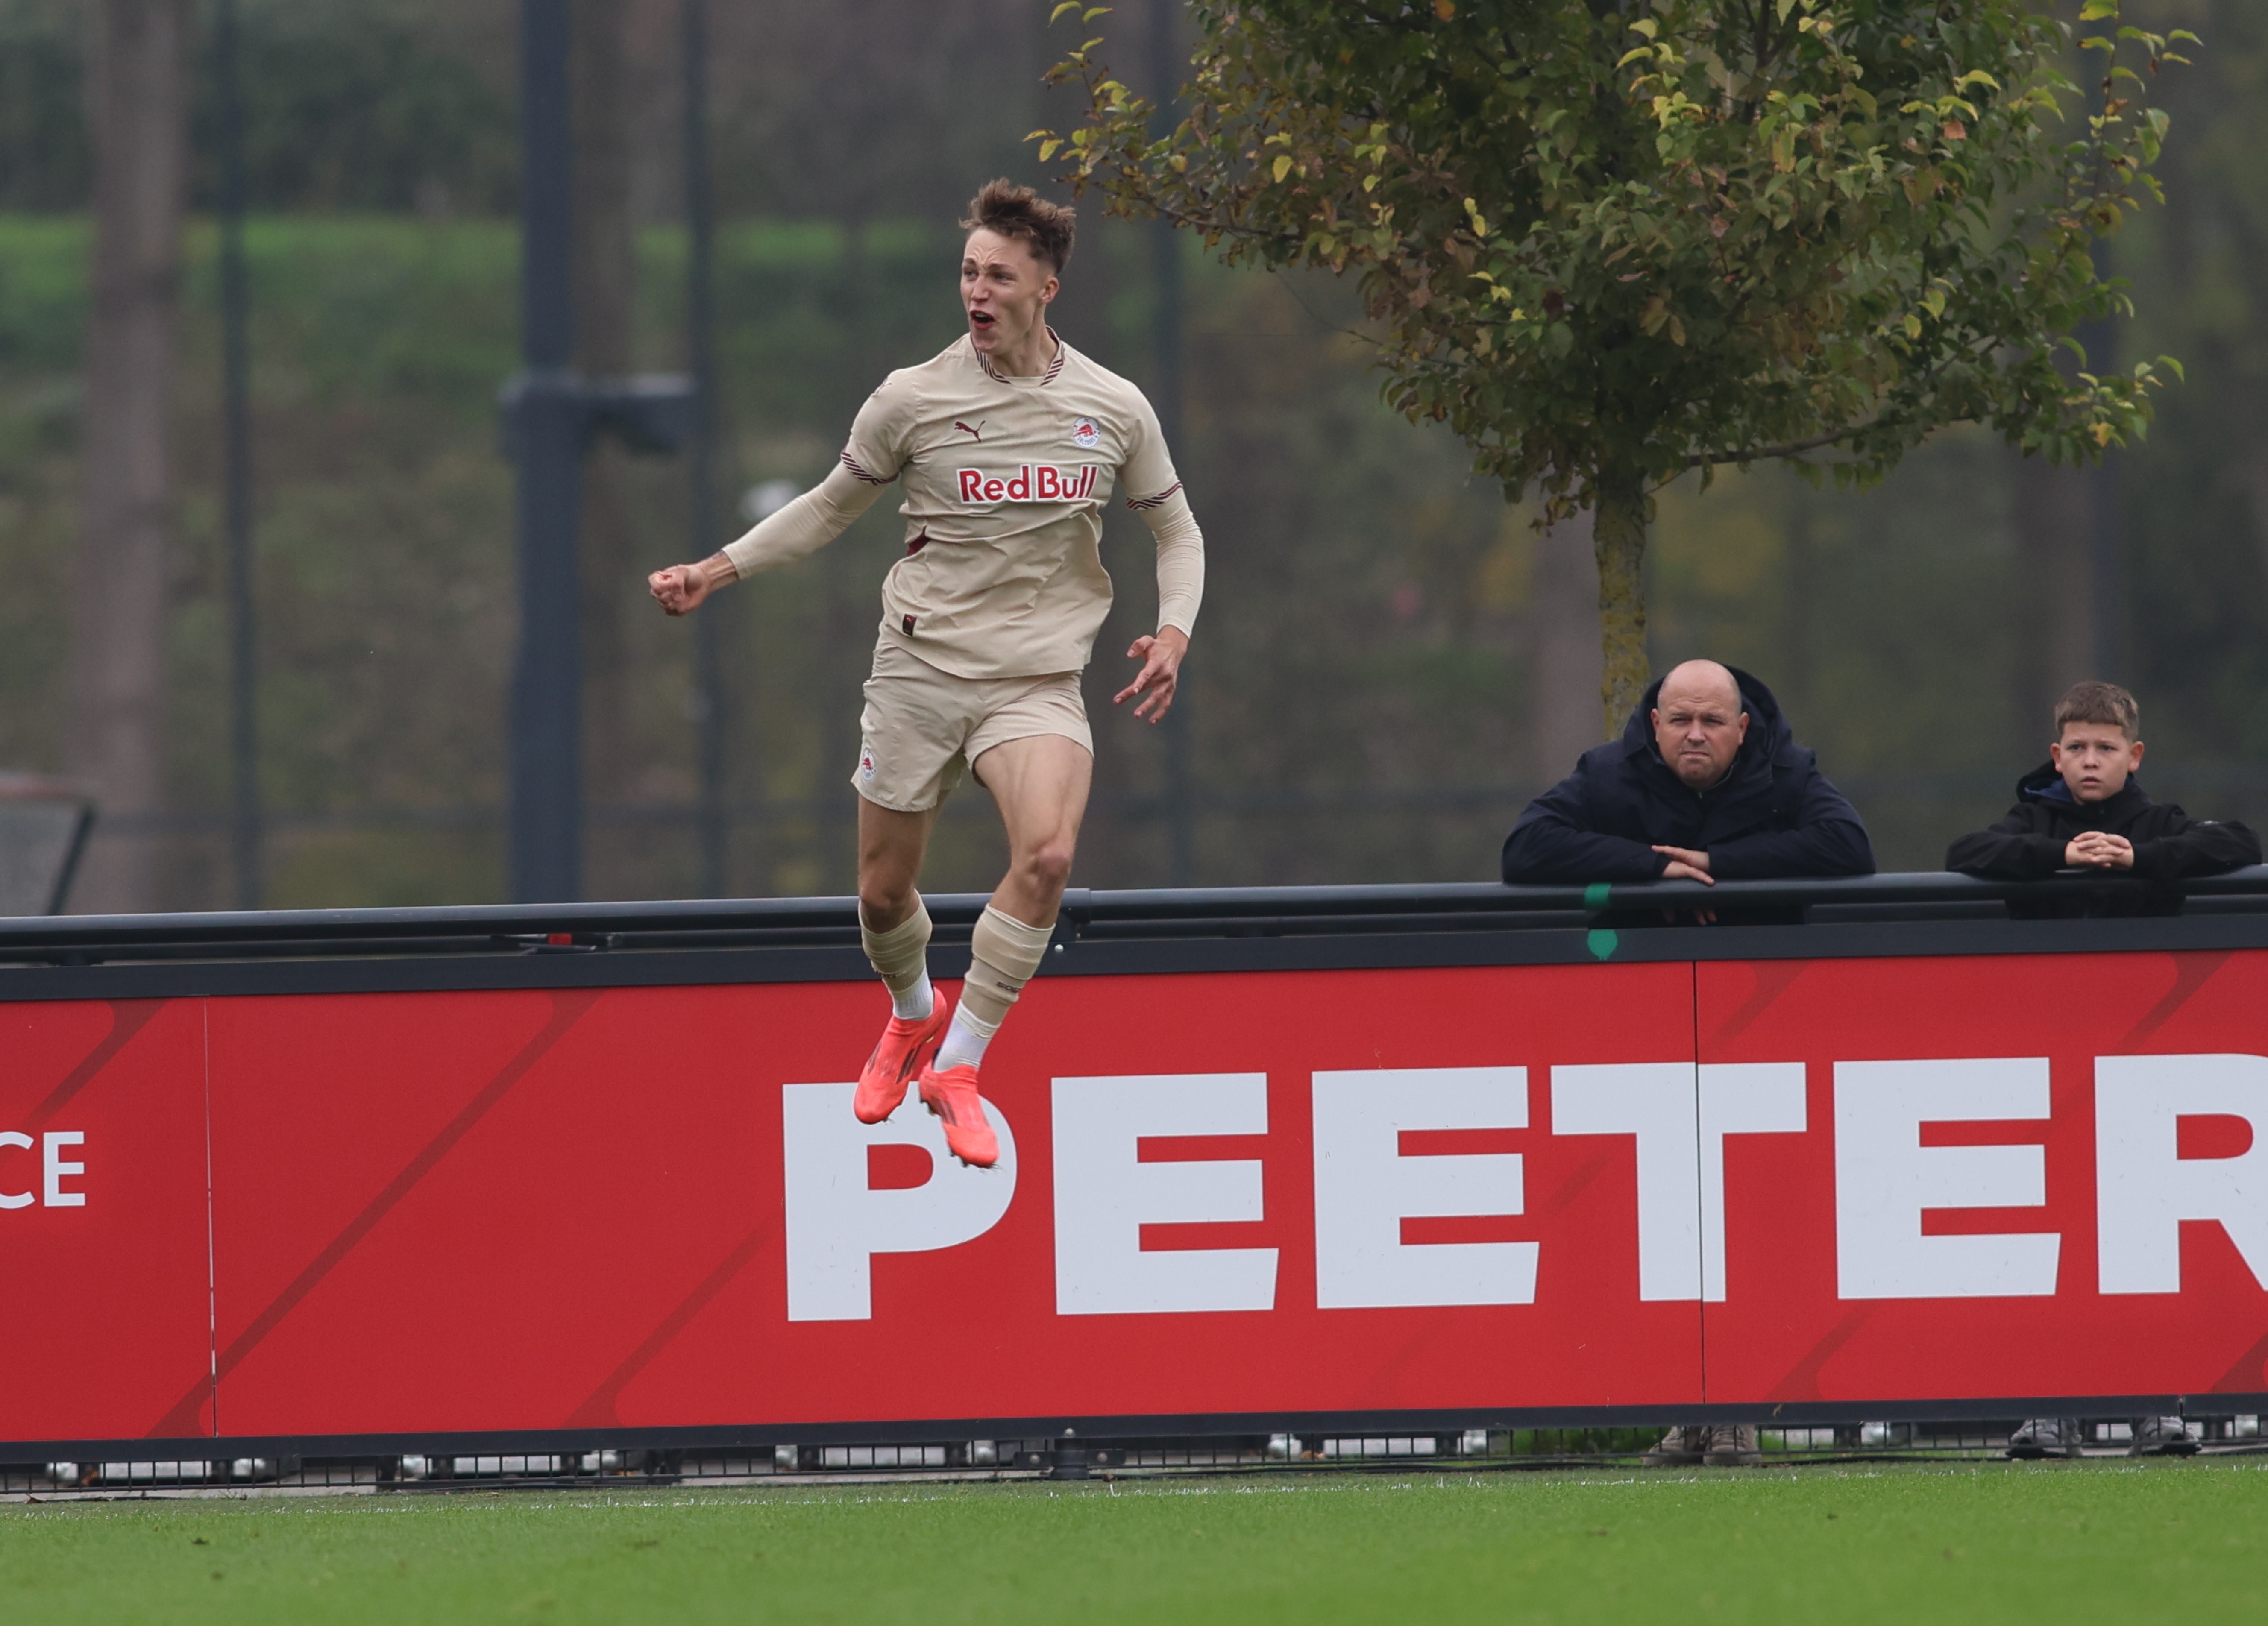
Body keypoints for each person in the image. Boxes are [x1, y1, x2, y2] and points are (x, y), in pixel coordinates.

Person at [648, 180, 1205, 1169]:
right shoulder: (913, 398)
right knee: (879, 892)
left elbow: (1175, 527)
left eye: (998, 275)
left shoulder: (1112, 408)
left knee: (1045, 859)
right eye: (967, 272)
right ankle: (912, 1011)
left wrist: (1172, 631)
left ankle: (960, 1063)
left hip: (1033, 680)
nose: (976, 292)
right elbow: (824, 510)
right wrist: (713, 569)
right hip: (919, 671)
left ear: (1047, 286)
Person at [1953, 680, 2257, 1461]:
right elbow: (1967, 854)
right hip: (2049, 1062)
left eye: (2105, 748)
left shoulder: (2155, 824)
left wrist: (2138, 859)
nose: (2090, 762)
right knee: (2051, 1235)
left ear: (2133, 755)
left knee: (2145, 1237)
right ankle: (2047, 1407)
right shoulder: (2030, 822)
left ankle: (2156, 1404)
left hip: (2141, 1067)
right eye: (2076, 748)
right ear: (2055, 755)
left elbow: (2236, 844)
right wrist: (2057, 856)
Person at [1502, 659, 1875, 894]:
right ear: (1656, 723)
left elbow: (1849, 846)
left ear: (1742, 728)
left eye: (1712, 721)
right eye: (1680, 720)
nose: (1695, 735)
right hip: (1635, 965)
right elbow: (1526, 846)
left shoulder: (1784, 769)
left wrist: (1714, 862)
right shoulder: (1609, 772)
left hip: (1765, 961)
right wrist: (1655, 868)